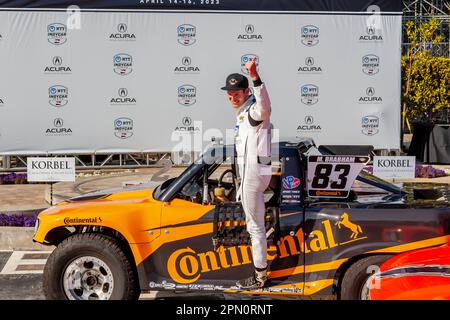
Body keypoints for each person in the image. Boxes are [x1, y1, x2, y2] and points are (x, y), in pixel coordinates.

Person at [220, 58, 272, 289]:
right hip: (253, 173)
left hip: (253, 175)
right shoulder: (243, 114)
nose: (232, 97)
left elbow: (265, 107)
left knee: (255, 227)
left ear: (246, 92)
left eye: (237, 93)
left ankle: (260, 277)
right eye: (229, 94)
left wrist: (255, 76)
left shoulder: (253, 111)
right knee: (255, 225)